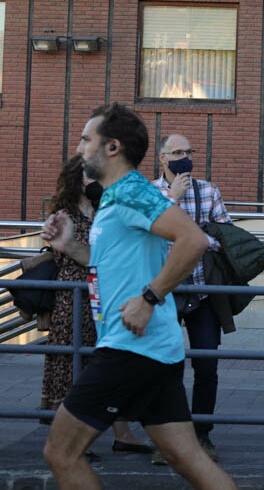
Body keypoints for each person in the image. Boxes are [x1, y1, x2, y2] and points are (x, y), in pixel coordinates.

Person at [40, 102, 236, 490]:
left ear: (112, 147)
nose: (79, 148)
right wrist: (70, 247)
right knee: (187, 458)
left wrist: (149, 298)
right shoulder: (116, 198)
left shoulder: (131, 192)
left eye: (85, 139)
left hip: (130, 350)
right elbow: (113, 263)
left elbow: (193, 239)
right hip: (153, 350)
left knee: (60, 452)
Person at [41, 156, 153, 459]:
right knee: (74, 365)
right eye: (93, 177)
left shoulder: (105, 210)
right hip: (74, 299)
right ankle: (71, 438)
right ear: (79, 180)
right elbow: (90, 256)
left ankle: (122, 433)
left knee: (110, 363)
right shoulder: (65, 215)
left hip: (105, 294)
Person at [151, 133, 232, 464]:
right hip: (163, 292)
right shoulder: (149, 193)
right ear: (163, 159)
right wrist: (172, 199)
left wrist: (196, 239)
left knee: (206, 365)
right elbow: (147, 234)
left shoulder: (208, 191)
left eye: (188, 151)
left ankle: (201, 436)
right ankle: (166, 439)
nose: (184, 157)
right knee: (162, 368)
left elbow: (224, 235)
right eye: (177, 152)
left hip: (201, 290)